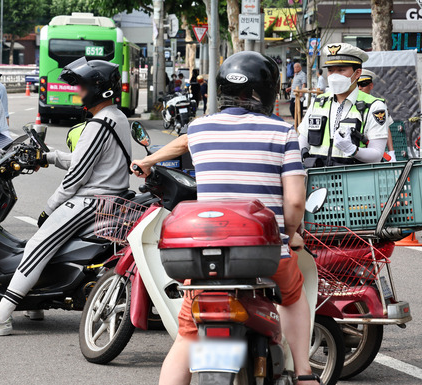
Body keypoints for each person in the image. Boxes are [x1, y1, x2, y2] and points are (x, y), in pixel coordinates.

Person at [131, 52, 320, 385]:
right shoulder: (282, 132)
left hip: (204, 256)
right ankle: (304, 372)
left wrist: (147, 162)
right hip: (262, 252)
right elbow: (294, 201)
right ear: (268, 90)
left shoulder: (200, 129)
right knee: (292, 295)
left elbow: (181, 145)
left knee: (187, 336)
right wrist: (290, 233)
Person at [0, 57, 132, 336]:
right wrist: (49, 157)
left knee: (37, 244)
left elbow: (77, 176)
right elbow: (84, 159)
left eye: (83, 86)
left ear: (99, 89)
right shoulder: (117, 118)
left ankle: (0, 317)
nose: (78, 92)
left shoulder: (99, 124)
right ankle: (35, 303)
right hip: (108, 197)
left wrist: (50, 207)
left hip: (91, 201)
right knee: (49, 242)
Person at [298, 43, 388, 168]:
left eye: (341, 70)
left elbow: (377, 154)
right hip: (317, 180)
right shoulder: (318, 102)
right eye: (331, 70)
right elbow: (303, 138)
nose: (334, 76)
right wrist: (303, 154)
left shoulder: (373, 106)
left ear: (357, 73)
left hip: (353, 180)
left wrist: (353, 150)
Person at [358, 68, 396, 161]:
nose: (359, 88)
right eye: (357, 85)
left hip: (373, 150)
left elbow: (386, 127)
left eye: (363, 84)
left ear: (371, 86)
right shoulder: (349, 102)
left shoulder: (378, 105)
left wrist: (391, 153)